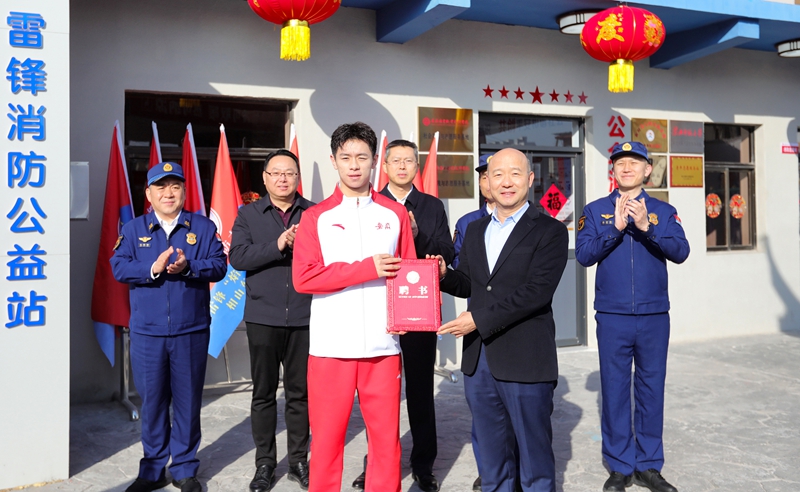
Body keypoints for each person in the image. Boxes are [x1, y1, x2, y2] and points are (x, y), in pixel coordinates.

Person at [432, 148, 568, 492]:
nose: (506, 182)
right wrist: (445, 274)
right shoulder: (476, 229)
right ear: (487, 182)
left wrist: (477, 320)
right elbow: (469, 282)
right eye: (498, 175)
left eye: (515, 174)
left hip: (525, 360)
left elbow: (536, 292)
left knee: (534, 464)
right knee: (492, 462)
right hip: (480, 363)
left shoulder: (550, 231)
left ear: (530, 179)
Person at [292, 122, 417, 492]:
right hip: (331, 349)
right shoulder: (316, 217)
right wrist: (366, 268)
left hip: (383, 348)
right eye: (345, 157)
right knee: (327, 442)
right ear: (333, 161)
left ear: (375, 161)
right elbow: (304, 278)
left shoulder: (394, 214)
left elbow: (409, 273)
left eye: (362, 157)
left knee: (386, 443)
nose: (354, 165)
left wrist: (408, 315)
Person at [575, 142, 689, 492]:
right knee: (614, 390)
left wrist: (645, 227)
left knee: (652, 389)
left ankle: (649, 465)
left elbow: (681, 251)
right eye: (620, 163)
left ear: (647, 170)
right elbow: (584, 255)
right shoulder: (595, 211)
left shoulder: (663, 211)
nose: (627, 168)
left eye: (634, 163)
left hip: (654, 316)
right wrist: (616, 227)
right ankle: (620, 465)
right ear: (612, 170)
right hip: (613, 316)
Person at [111, 162, 227, 492]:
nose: (168, 193)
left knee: (188, 401)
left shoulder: (202, 227)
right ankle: (152, 469)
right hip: (148, 333)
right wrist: (152, 267)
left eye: (175, 186)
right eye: (160, 187)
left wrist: (189, 267)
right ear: (148, 194)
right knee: (152, 402)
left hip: (191, 331)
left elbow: (219, 265)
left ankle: (185, 468)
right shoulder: (133, 229)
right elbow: (118, 267)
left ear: (184, 192)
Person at [347, 140, 455, 492]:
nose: (403, 166)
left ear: (416, 167)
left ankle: (423, 465)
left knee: (421, 390)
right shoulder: (370, 202)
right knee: (379, 397)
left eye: (409, 161)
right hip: (377, 308)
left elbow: (446, 251)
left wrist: (416, 234)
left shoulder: (432, 206)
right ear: (385, 166)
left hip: (417, 307)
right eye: (396, 161)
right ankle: (376, 465)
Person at [229, 149, 315, 492]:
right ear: (264, 178)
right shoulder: (248, 214)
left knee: (300, 394)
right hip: (263, 317)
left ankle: (298, 461)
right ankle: (264, 463)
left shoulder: (314, 213)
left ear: (298, 178)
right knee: (263, 393)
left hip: (305, 317)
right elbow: (238, 257)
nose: (283, 178)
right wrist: (278, 244)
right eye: (276, 173)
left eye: (289, 173)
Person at [452, 153, 495, 492]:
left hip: (518, 327)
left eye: (496, 174)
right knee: (481, 407)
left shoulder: (534, 221)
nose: (491, 181)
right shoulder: (468, 223)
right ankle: (489, 471)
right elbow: (459, 271)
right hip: (477, 327)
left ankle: (515, 469)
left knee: (517, 409)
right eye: (484, 176)